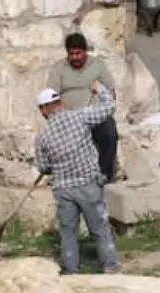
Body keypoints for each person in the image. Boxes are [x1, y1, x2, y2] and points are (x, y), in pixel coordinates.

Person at [34, 82, 120, 275]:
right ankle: (110, 267)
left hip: (63, 190)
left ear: (43, 111)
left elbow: (43, 167)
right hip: (89, 183)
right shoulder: (80, 116)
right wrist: (100, 90)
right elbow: (109, 107)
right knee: (99, 228)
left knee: (68, 232)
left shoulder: (42, 136)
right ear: (61, 103)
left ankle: (71, 270)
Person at [45, 32, 120, 183]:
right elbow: (50, 97)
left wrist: (101, 97)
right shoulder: (59, 69)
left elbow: (111, 92)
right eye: (71, 54)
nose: (75, 57)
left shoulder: (97, 65)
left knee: (109, 133)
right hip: (70, 117)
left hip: (94, 115)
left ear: (85, 51)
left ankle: (105, 175)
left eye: (78, 53)